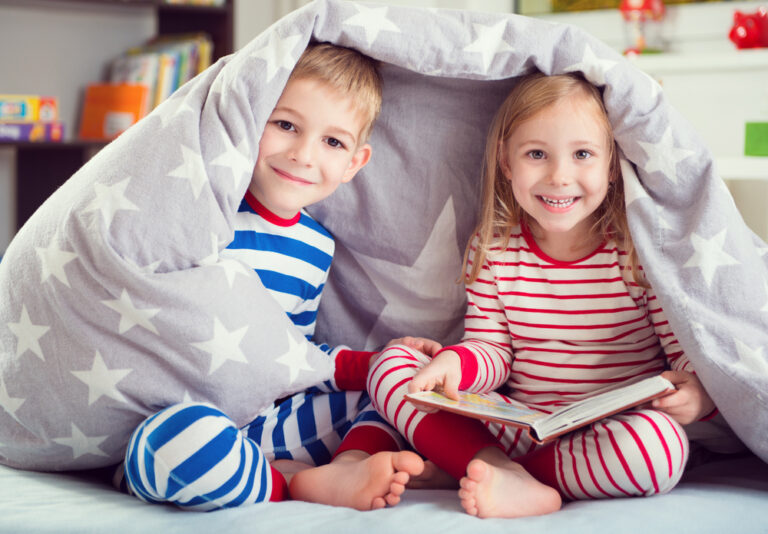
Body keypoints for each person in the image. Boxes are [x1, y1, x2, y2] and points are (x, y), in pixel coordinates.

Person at [362, 72, 732, 518]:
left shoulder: (636, 249)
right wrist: (455, 366)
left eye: (582, 155)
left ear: (612, 165)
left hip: (614, 429)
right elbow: (492, 349)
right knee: (392, 366)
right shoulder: (494, 245)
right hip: (521, 423)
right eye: (537, 154)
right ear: (506, 163)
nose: (560, 176)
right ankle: (497, 467)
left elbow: (684, 350)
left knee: (660, 447)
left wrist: (699, 395)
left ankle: (493, 471)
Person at [118, 42, 433, 512]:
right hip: (183, 414)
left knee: (398, 387)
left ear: (354, 163)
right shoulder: (207, 213)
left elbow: (292, 357)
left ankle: (345, 468)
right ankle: (291, 485)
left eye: (333, 142)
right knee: (175, 444)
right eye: (285, 125)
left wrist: (377, 362)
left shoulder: (316, 247)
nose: (304, 154)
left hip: (270, 419)